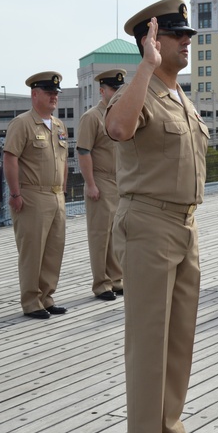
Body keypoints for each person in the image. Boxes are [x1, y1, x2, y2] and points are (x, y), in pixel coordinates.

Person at [105, 0, 213, 433]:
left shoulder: (179, 96)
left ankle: (170, 427)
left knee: (178, 337)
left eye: (187, 35)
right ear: (151, 41)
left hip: (184, 225)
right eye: (176, 35)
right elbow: (118, 128)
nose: (186, 41)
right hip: (148, 223)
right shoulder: (140, 91)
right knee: (149, 337)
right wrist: (145, 68)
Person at [3, 71, 69, 319]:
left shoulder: (59, 126)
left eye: (56, 94)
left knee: (54, 250)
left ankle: (46, 297)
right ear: (34, 94)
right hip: (32, 195)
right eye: (49, 93)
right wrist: (15, 193)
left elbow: (63, 160)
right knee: (33, 251)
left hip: (55, 196)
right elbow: (10, 158)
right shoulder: (22, 124)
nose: (54, 97)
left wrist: (62, 190)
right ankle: (31, 301)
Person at [77, 69, 126, 301]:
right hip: (100, 179)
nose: (116, 93)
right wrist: (90, 184)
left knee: (116, 234)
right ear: (102, 90)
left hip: (118, 181)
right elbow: (84, 151)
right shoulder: (92, 117)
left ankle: (116, 279)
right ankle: (101, 283)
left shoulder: (120, 116)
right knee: (100, 235)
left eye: (119, 89)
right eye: (112, 89)